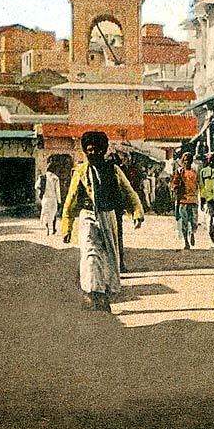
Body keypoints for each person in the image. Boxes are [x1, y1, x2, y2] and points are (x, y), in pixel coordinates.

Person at [61, 131, 145, 312]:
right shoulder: (81, 172)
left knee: (108, 256)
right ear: (85, 151)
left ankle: (104, 294)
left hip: (108, 216)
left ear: (104, 150)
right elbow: (70, 200)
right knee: (91, 255)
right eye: (90, 150)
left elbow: (128, 192)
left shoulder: (113, 170)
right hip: (87, 216)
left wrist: (136, 213)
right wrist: (66, 226)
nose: (94, 153)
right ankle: (93, 294)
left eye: (97, 150)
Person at [169, 152, 201, 250]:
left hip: (193, 200)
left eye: (189, 160)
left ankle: (192, 234)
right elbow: (173, 184)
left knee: (194, 221)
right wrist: (176, 188)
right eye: (185, 160)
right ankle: (186, 241)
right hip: (183, 200)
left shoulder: (195, 173)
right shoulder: (179, 172)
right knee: (184, 222)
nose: (187, 162)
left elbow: (199, 184)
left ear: (191, 162)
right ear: (183, 161)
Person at [36, 162, 61, 236]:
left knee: (46, 214)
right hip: (53, 198)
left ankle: (47, 229)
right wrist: (59, 201)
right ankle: (53, 229)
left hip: (45, 198)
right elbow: (57, 190)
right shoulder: (55, 178)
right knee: (53, 214)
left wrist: (40, 193)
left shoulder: (42, 177)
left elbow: (36, 186)